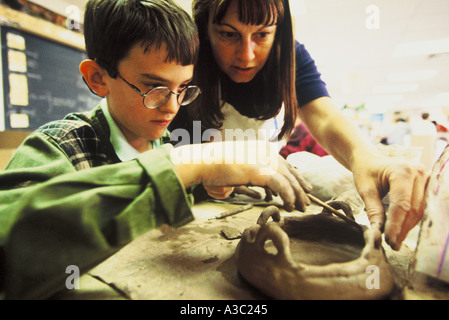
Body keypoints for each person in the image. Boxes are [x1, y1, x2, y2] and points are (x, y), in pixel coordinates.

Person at [0, 0, 311, 300]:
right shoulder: (60, 147)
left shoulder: (164, 143)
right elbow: (11, 256)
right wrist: (190, 164)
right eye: (155, 88)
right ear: (98, 78)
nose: (172, 106)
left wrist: (208, 186)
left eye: (182, 89)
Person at [169, 0, 429, 252]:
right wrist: (205, 172)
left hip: (263, 196)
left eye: (262, 34)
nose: (246, 54)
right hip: (191, 205)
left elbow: (325, 118)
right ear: (204, 28)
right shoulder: (184, 61)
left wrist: (367, 159)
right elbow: (154, 157)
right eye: (228, 34)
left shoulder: (290, 56)